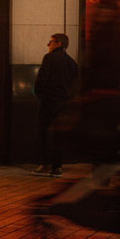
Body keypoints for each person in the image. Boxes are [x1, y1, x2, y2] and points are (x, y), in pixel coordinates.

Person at [33, 33, 78, 177]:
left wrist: (39, 93)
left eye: (50, 42)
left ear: (58, 43)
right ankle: (57, 166)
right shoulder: (71, 62)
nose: (48, 45)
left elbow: (42, 79)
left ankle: (44, 163)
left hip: (49, 100)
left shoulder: (49, 58)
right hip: (64, 101)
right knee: (59, 135)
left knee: (44, 132)